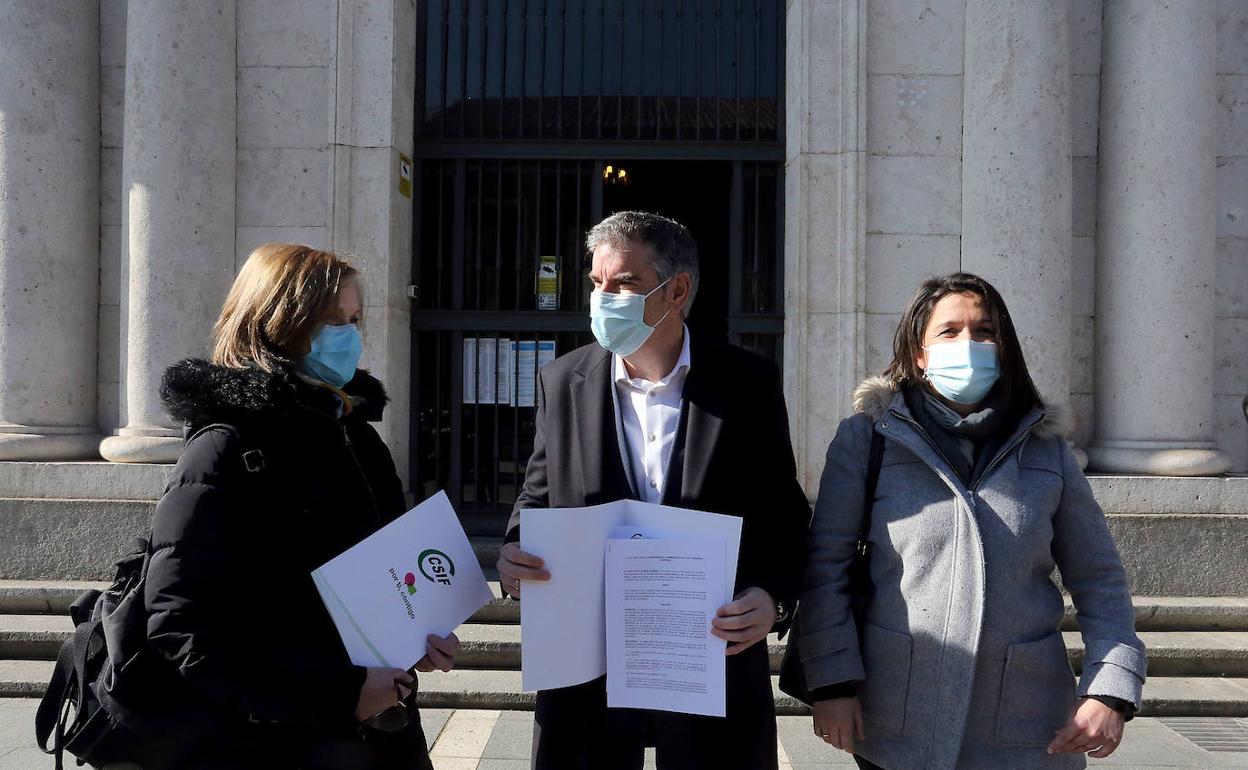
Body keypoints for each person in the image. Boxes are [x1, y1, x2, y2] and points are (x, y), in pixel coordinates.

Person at [496, 211, 811, 769]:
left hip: (707, 656)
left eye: (625, 283)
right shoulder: (562, 380)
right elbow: (538, 494)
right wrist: (514, 551)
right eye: (597, 282)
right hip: (586, 661)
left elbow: (783, 517)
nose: (603, 297)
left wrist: (772, 598)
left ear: (678, 291)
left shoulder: (748, 383)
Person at [797, 273, 1147, 769]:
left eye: (985, 331)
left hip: (1025, 725)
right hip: (896, 720)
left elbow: (1100, 579)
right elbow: (826, 566)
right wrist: (831, 682)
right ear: (918, 353)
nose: (970, 344)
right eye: (949, 331)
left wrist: (1109, 690)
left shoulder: (1046, 449)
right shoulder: (868, 439)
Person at [144, 243, 459, 769]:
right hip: (275, 743)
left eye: (355, 319)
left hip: (383, 732)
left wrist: (414, 636)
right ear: (276, 322)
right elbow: (180, 624)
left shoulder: (356, 435)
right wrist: (340, 694)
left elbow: (382, 577)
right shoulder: (226, 447)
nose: (349, 335)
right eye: (330, 319)